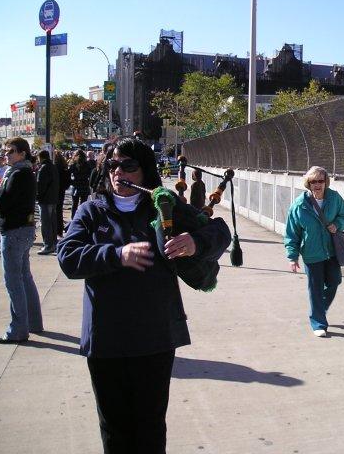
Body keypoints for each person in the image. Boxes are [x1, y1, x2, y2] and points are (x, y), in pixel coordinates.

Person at [56, 137, 231, 454]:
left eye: (128, 165)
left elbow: (219, 231)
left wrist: (195, 241)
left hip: (155, 337)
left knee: (150, 427)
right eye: (112, 164)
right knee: (115, 429)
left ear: (144, 171)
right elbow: (68, 257)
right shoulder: (92, 210)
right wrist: (116, 255)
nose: (118, 171)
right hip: (106, 340)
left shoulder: (163, 204)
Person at [284, 166, 344, 337]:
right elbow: (292, 232)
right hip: (312, 253)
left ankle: (320, 308)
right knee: (315, 288)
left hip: (332, 251)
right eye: (313, 181)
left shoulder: (334, 198)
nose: (317, 185)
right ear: (308, 184)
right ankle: (318, 322)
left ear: (326, 182)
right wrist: (292, 256)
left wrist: (338, 225)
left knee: (335, 281)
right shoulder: (299, 205)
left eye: (321, 181)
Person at [0, 137, 43, 344]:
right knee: (24, 277)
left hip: (14, 230)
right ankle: (33, 322)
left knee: (14, 281)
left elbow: (4, 201)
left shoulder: (17, 174)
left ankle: (19, 328)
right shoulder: (24, 172)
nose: (6, 154)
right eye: (5, 151)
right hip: (22, 229)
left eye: (11, 151)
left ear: (22, 153)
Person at [36, 150, 59, 255]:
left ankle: (48, 245)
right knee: (52, 222)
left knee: (46, 223)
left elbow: (41, 185)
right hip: (53, 198)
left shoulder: (44, 168)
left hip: (45, 199)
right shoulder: (53, 167)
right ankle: (53, 243)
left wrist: (37, 196)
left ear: (40, 157)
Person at [69, 149, 92, 218]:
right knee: (83, 204)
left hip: (75, 186)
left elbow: (69, 175)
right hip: (84, 185)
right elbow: (89, 175)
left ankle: (73, 219)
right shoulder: (87, 164)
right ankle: (82, 218)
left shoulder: (73, 165)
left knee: (74, 205)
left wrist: (71, 182)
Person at [53, 150, 70, 237]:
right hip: (61, 190)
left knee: (54, 211)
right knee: (59, 211)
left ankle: (56, 230)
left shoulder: (54, 167)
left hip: (55, 190)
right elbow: (68, 180)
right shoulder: (64, 166)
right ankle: (59, 230)